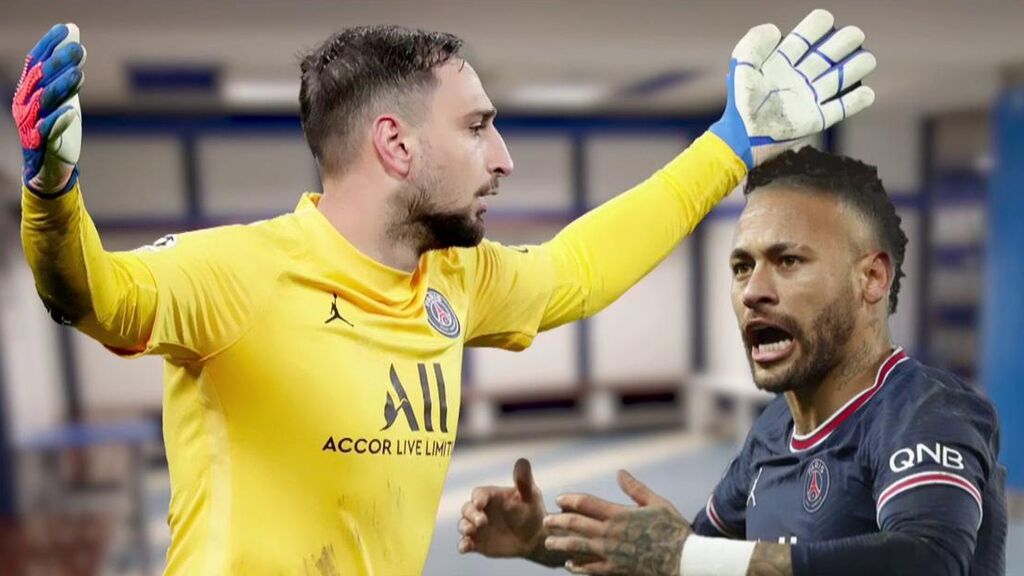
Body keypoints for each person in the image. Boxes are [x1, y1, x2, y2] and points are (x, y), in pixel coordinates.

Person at [12, 9, 875, 575]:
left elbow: (583, 267)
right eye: (477, 126)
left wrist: (731, 143)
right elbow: (94, 294)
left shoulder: (456, 280)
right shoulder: (237, 272)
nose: (502, 157)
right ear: (395, 144)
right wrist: (53, 195)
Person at [458, 147, 1007, 576]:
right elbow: (692, 555)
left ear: (872, 278)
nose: (753, 292)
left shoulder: (927, 411)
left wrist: (687, 557)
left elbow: (928, 561)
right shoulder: (772, 430)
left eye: (787, 260)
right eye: (742, 267)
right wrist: (541, 540)